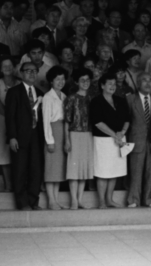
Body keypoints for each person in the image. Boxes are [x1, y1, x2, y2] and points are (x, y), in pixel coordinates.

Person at [5, 61, 44, 210]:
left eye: (34, 71)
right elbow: (10, 117)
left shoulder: (40, 93)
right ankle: (22, 203)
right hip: (19, 137)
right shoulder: (14, 92)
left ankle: (33, 201)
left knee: (36, 170)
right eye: (28, 71)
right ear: (21, 73)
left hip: (36, 136)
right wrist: (12, 137)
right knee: (20, 170)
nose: (32, 73)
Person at [90, 73, 130, 208]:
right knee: (102, 171)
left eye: (114, 84)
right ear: (102, 86)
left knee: (114, 170)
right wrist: (115, 135)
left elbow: (127, 119)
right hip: (103, 141)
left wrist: (122, 133)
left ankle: (109, 199)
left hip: (119, 139)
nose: (113, 86)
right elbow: (98, 123)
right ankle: (101, 201)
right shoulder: (96, 101)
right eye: (109, 84)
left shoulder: (120, 100)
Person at [64, 68, 95, 210]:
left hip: (89, 135)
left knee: (84, 169)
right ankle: (74, 200)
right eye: (82, 80)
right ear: (76, 82)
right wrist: (67, 140)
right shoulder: (71, 98)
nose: (85, 83)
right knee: (74, 168)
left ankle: (81, 199)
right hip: (74, 134)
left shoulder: (92, 98)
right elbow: (67, 120)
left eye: (88, 80)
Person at [126, 73, 151, 208]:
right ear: (138, 83)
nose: (148, 83)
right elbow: (126, 120)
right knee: (136, 171)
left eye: (150, 80)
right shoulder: (130, 99)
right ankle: (133, 200)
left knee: (150, 172)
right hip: (136, 140)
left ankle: (148, 199)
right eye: (144, 80)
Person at [42, 66, 68, 210]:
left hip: (62, 132)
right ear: (51, 81)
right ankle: (51, 200)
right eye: (57, 79)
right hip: (52, 133)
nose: (60, 81)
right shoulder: (48, 97)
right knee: (50, 168)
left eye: (63, 79)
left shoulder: (64, 96)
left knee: (58, 169)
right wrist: (49, 141)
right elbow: (46, 120)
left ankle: (56, 200)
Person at [0, 56, 21, 192]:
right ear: (0, 69)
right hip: (2, 120)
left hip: (18, 121)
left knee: (18, 153)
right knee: (3, 153)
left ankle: (18, 185)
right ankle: (8, 186)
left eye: (10, 65)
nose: (8, 68)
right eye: (4, 66)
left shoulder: (20, 83)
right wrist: (9, 116)